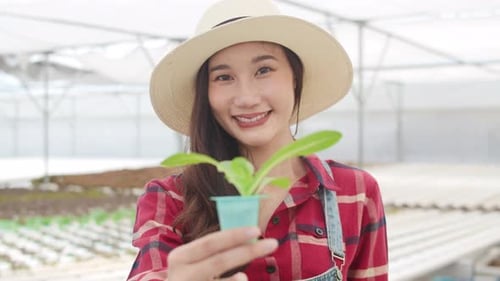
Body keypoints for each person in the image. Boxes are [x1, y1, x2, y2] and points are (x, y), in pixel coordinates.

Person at [127, 0, 388, 280]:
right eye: (224, 77)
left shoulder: (354, 192)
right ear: (206, 94)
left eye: (264, 70)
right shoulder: (170, 199)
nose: (247, 98)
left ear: (295, 79)